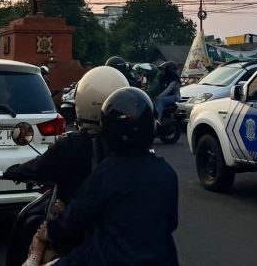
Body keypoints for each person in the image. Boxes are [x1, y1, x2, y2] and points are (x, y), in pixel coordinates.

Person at [26, 87, 179, 266]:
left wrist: (50, 231)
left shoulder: (107, 172)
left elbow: (75, 217)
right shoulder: (167, 172)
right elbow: (171, 222)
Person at [4, 66, 129, 203]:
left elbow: (41, 166)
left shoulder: (71, 144)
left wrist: (13, 171)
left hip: (77, 217)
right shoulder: (131, 144)